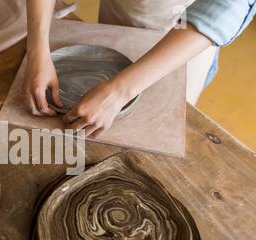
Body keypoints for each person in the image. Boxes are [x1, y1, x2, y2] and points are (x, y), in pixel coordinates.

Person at [24, 0, 255, 138]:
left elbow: (227, 6)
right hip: (123, 10)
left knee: (155, 130)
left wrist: (119, 91)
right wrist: (37, 50)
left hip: (187, 35)